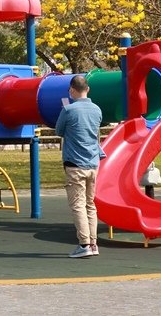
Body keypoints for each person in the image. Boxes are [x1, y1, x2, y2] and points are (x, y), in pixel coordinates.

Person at [54, 75, 104, 258]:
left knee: (78, 205)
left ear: (71, 90)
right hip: (93, 163)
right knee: (90, 205)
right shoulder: (97, 109)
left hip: (75, 163)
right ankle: (93, 243)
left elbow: (59, 131)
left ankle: (84, 244)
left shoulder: (69, 110)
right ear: (88, 89)